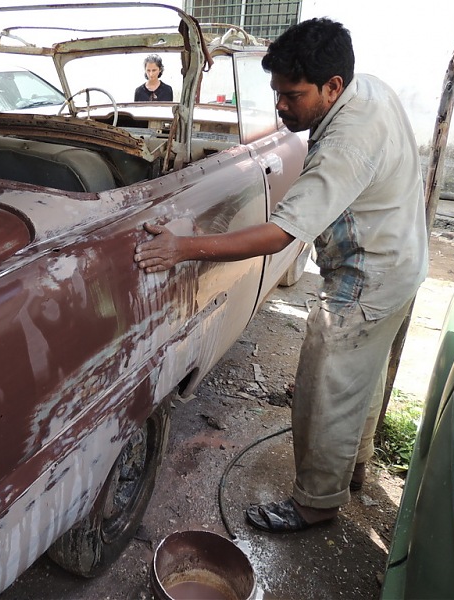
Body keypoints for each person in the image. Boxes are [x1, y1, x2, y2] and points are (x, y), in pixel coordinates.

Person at [133, 18, 427, 532]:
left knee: (326, 387)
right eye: (276, 94)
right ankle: (354, 466)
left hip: (369, 276)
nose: (281, 108)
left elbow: (278, 235)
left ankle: (316, 503)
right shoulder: (365, 89)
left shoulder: (347, 142)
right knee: (361, 375)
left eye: (292, 95)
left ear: (332, 86)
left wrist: (184, 246)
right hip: (399, 258)